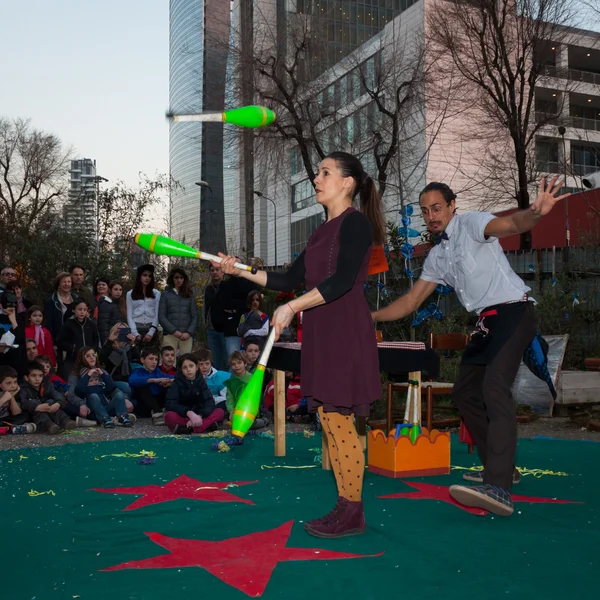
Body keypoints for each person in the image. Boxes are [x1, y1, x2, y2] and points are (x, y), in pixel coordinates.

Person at [373, 178, 570, 517]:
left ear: (452, 206)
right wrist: (370, 317)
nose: (431, 215)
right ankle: (500, 467)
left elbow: (511, 224)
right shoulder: (437, 256)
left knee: (495, 388)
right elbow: (410, 301)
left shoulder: (472, 223)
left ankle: (499, 487)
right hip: (486, 322)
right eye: (425, 211)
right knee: (466, 394)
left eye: (437, 207)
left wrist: (536, 213)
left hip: (514, 312)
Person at [217, 151, 385, 538]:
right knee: (329, 418)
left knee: (340, 420)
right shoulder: (319, 231)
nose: (316, 178)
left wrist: (293, 306)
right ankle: (346, 505)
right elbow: (286, 279)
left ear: (347, 182)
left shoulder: (355, 224)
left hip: (344, 328)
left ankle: (352, 510)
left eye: (325, 172)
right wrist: (238, 268)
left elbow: (342, 281)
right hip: (322, 330)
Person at [164, 353, 225, 434]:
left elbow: (209, 401)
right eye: (185, 367)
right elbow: (170, 403)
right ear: (181, 370)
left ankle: (190, 427)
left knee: (220, 412)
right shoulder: (176, 383)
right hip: (184, 415)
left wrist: (200, 415)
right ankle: (204, 425)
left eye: (191, 366)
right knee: (169, 416)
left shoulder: (201, 381)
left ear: (196, 367)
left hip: (200, 415)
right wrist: (188, 413)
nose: (188, 370)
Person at [74, 349, 133, 428]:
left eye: (93, 355)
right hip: (92, 409)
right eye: (88, 356)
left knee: (120, 394)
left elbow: (112, 387)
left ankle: (122, 417)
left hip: (106, 407)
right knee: (93, 396)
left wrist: (102, 374)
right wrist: (88, 376)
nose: (92, 358)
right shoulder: (80, 376)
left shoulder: (101, 377)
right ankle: (105, 419)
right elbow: (77, 391)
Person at [20, 360, 76, 434]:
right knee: (34, 402)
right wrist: (37, 407)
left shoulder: (46, 384)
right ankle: (49, 425)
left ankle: (65, 421)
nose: (37, 379)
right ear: (26, 377)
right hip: (34, 416)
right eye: (33, 376)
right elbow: (23, 403)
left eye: (40, 376)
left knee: (50, 401)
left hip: (49, 410)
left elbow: (57, 395)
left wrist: (58, 404)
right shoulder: (23, 388)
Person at [128, 347, 174, 424]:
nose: (154, 362)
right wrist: (153, 380)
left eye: (156, 359)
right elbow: (132, 380)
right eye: (151, 359)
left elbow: (170, 377)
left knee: (167, 385)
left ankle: (169, 411)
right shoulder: (137, 371)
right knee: (142, 388)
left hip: (157, 402)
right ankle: (157, 413)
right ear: (142, 360)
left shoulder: (157, 371)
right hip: (142, 405)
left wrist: (169, 381)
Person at [159, 267, 198, 355]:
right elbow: (161, 316)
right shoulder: (165, 294)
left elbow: (195, 316)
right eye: (176, 277)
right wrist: (174, 331)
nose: (179, 280)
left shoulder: (189, 295)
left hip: (186, 336)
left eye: (181, 278)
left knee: (186, 361)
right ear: (172, 279)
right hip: (170, 334)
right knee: (169, 362)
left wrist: (189, 332)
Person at [56, 298, 99, 378]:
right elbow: (60, 342)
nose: (82, 312)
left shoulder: (91, 324)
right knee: (73, 378)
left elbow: (95, 340)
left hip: (88, 359)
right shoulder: (68, 325)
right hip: (73, 359)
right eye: (79, 309)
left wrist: (92, 351)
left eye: (84, 310)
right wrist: (73, 348)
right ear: (73, 310)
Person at [224, 351, 267, 429]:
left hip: (250, 410)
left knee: (248, 423)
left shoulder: (252, 379)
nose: (237, 366)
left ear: (245, 363)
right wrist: (231, 411)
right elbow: (229, 399)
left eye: (239, 363)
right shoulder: (231, 382)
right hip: (237, 410)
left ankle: (263, 421)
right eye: (233, 364)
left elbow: (256, 399)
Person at [126, 264, 161, 348]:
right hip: (136, 328)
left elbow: (158, 314)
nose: (147, 278)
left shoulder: (156, 293)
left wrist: (151, 332)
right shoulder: (130, 294)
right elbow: (129, 315)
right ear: (139, 277)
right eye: (144, 275)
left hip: (151, 328)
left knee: (152, 356)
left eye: (149, 276)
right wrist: (135, 333)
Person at [203, 264, 227, 370]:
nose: (215, 272)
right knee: (215, 360)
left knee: (228, 360)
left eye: (217, 269)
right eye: (212, 270)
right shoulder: (208, 288)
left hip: (226, 330)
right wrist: (205, 324)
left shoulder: (228, 286)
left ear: (222, 272)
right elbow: (205, 307)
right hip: (212, 329)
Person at [0, 365, 36, 434]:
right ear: (0, 384)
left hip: (6, 420)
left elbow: (16, 414)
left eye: (15, 382)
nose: (13, 386)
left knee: (26, 415)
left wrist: (12, 397)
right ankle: (11, 429)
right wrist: (3, 399)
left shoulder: (10, 393)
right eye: (9, 383)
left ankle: (11, 428)